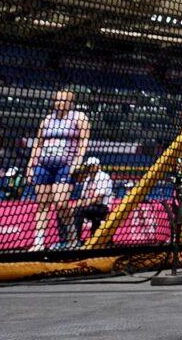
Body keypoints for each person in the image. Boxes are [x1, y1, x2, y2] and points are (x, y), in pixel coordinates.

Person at [26, 88, 89, 250]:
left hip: (66, 166)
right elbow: (38, 144)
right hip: (44, 165)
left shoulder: (79, 117)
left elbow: (84, 141)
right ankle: (38, 242)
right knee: (42, 204)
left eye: (63, 100)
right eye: (57, 100)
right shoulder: (47, 120)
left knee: (61, 204)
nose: (59, 103)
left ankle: (73, 238)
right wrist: (31, 165)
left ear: (71, 102)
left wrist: (78, 161)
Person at [69, 158, 112, 244]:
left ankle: (76, 240)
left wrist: (82, 205)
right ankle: (73, 239)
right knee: (74, 210)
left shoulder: (103, 177)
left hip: (102, 207)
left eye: (90, 166)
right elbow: (82, 198)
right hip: (90, 206)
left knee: (79, 211)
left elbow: (98, 197)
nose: (88, 168)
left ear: (96, 167)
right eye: (88, 167)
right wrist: (74, 207)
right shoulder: (88, 179)